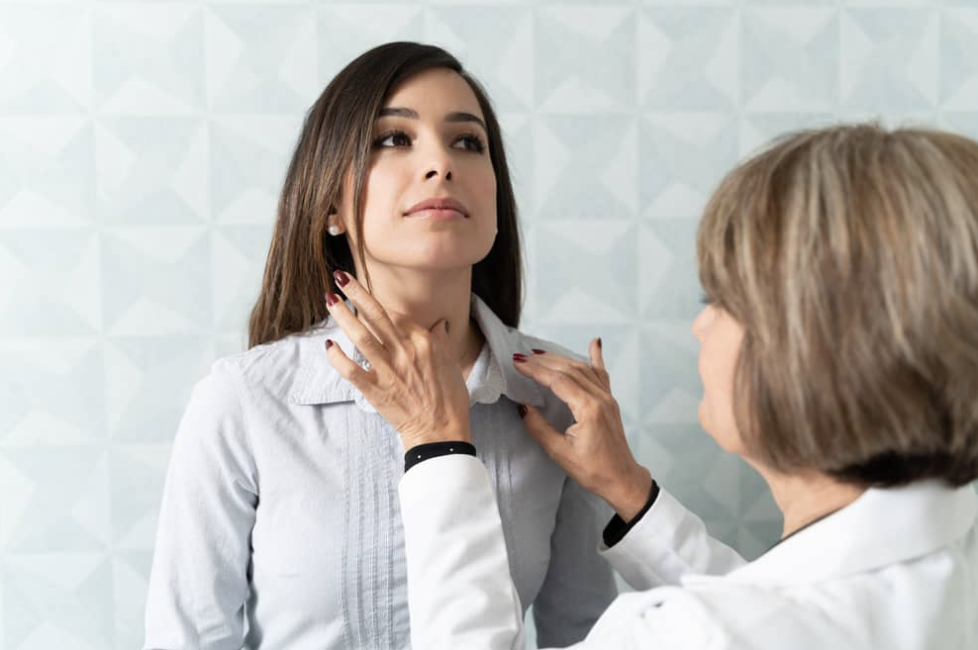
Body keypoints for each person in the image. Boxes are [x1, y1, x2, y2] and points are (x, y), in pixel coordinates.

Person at [323, 123, 978, 649]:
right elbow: (785, 611)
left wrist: (438, 446)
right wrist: (629, 493)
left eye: (719, 296)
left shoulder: (682, 633)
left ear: (815, 344)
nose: (699, 324)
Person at [143, 42, 617, 650]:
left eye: (468, 142)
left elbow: (586, 634)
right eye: (394, 139)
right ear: (331, 207)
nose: (440, 163)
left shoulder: (557, 399)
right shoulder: (243, 401)